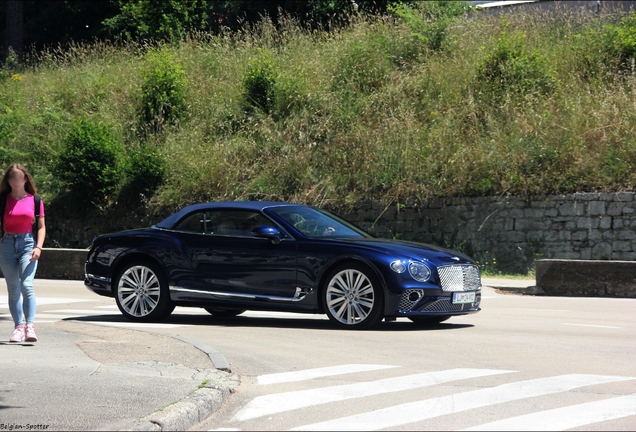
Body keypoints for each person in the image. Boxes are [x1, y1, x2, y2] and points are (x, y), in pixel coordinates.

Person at [0, 164, 45, 343]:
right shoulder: (2, 200)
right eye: (12, 177)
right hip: (6, 245)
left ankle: (30, 326)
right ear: (8, 180)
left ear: (25, 179)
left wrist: (39, 247)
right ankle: (18, 327)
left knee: (27, 285)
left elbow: (41, 227)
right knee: (13, 289)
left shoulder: (35, 200)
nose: (15, 180)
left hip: (28, 244)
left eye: (19, 177)